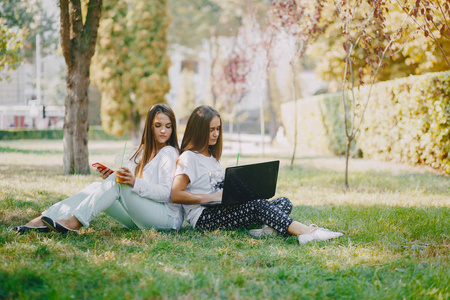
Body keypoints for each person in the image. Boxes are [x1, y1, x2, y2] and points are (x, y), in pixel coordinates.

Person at [170, 105, 343, 245]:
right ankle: (307, 232)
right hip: (204, 218)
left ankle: (266, 231)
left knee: (284, 202)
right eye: (211, 130)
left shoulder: (212, 157)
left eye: (218, 129)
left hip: (221, 209)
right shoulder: (189, 157)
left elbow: (217, 189)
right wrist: (210, 197)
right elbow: (176, 194)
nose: (216, 134)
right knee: (258, 206)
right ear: (198, 130)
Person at [15, 104, 183, 234]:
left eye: (168, 126)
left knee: (118, 182)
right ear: (150, 127)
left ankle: (74, 223)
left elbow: (168, 193)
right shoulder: (143, 152)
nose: (163, 131)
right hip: (142, 217)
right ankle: (43, 219)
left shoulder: (168, 153)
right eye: (158, 125)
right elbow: (132, 183)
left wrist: (133, 182)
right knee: (97, 186)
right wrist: (112, 177)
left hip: (166, 219)